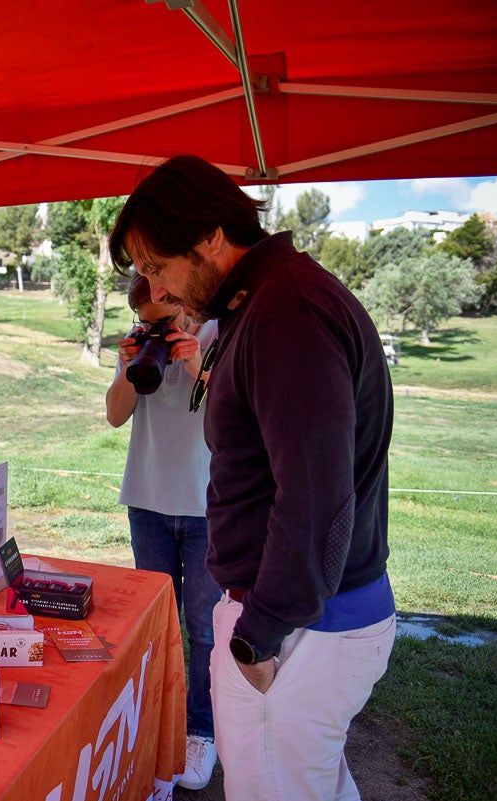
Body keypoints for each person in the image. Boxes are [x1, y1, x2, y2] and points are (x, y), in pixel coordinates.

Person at [109, 155, 396, 801]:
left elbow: (316, 497)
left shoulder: (286, 312)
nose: (158, 290)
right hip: (303, 619)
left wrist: (258, 636)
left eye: (157, 266)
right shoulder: (267, 301)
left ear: (211, 236)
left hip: (299, 628)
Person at [104, 272, 220, 791]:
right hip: (147, 501)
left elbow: (239, 413)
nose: (156, 331)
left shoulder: (221, 335)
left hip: (207, 506)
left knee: (204, 628)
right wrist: (130, 363)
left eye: (164, 322)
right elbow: (115, 416)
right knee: (156, 626)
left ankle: (200, 731)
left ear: (186, 304)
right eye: (146, 322)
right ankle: (155, 726)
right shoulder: (142, 342)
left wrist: (196, 364)